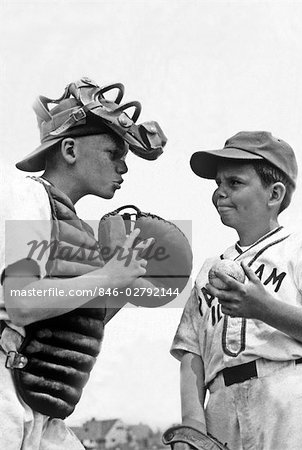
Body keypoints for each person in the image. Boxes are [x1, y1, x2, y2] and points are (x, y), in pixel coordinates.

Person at [0, 77, 166, 449]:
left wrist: (123, 283)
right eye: (113, 153)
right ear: (70, 150)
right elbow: (22, 302)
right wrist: (109, 275)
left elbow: (70, 321)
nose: (124, 166)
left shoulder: (71, 225)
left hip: (34, 402)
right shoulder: (27, 194)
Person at [170, 131, 302, 450]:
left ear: (274, 194)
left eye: (235, 183)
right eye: (218, 184)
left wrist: (264, 309)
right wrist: (193, 427)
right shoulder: (208, 269)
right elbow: (192, 355)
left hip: (292, 397)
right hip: (223, 408)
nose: (220, 193)